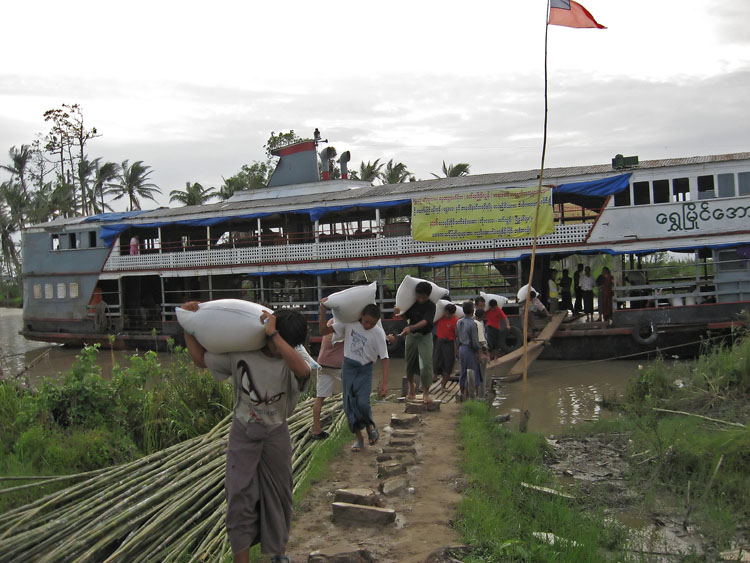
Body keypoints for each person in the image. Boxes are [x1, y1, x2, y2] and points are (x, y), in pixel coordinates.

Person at [182, 302, 311, 563]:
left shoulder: (293, 361)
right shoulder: (243, 354)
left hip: (276, 433)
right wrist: (187, 324)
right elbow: (199, 359)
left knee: (279, 494)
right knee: (239, 496)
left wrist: (275, 336)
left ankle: (278, 553)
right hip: (243, 432)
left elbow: (304, 370)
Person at [320, 299, 389, 452]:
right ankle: (359, 439)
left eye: (372, 323)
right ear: (361, 316)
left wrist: (384, 383)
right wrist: (323, 312)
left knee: (363, 403)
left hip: (365, 369)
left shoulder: (378, 333)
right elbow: (324, 332)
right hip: (349, 367)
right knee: (349, 405)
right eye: (366, 322)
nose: (368, 326)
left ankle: (370, 425)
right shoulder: (349, 324)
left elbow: (384, 358)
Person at [395, 281, 437, 404]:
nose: (421, 300)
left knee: (427, 363)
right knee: (409, 363)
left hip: (425, 336)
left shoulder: (431, 306)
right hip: (412, 336)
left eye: (424, 297)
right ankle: (411, 386)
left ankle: (426, 393)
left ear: (428, 296)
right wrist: (400, 312)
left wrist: (410, 328)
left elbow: (425, 321)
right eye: (419, 297)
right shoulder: (412, 303)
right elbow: (406, 317)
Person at [311, 312, 345, 440]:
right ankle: (355, 425)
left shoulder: (330, 321)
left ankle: (316, 429)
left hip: (322, 363)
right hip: (337, 366)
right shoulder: (344, 325)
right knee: (352, 392)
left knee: (320, 398)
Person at [456, 301, 481, 401]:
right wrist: (479, 354)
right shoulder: (472, 324)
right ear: (472, 311)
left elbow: (457, 336)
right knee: (473, 371)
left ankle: (462, 392)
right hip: (469, 349)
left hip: (462, 348)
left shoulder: (459, 322)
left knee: (463, 371)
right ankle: (472, 394)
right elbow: (475, 342)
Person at [432, 303, 458, 391]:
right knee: (436, 362)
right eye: (445, 313)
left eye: (448, 314)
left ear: (452, 313)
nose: (446, 315)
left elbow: (457, 336)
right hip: (439, 342)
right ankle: (435, 376)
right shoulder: (440, 318)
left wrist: (457, 349)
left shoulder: (455, 321)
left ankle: (443, 385)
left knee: (448, 365)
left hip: (449, 343)